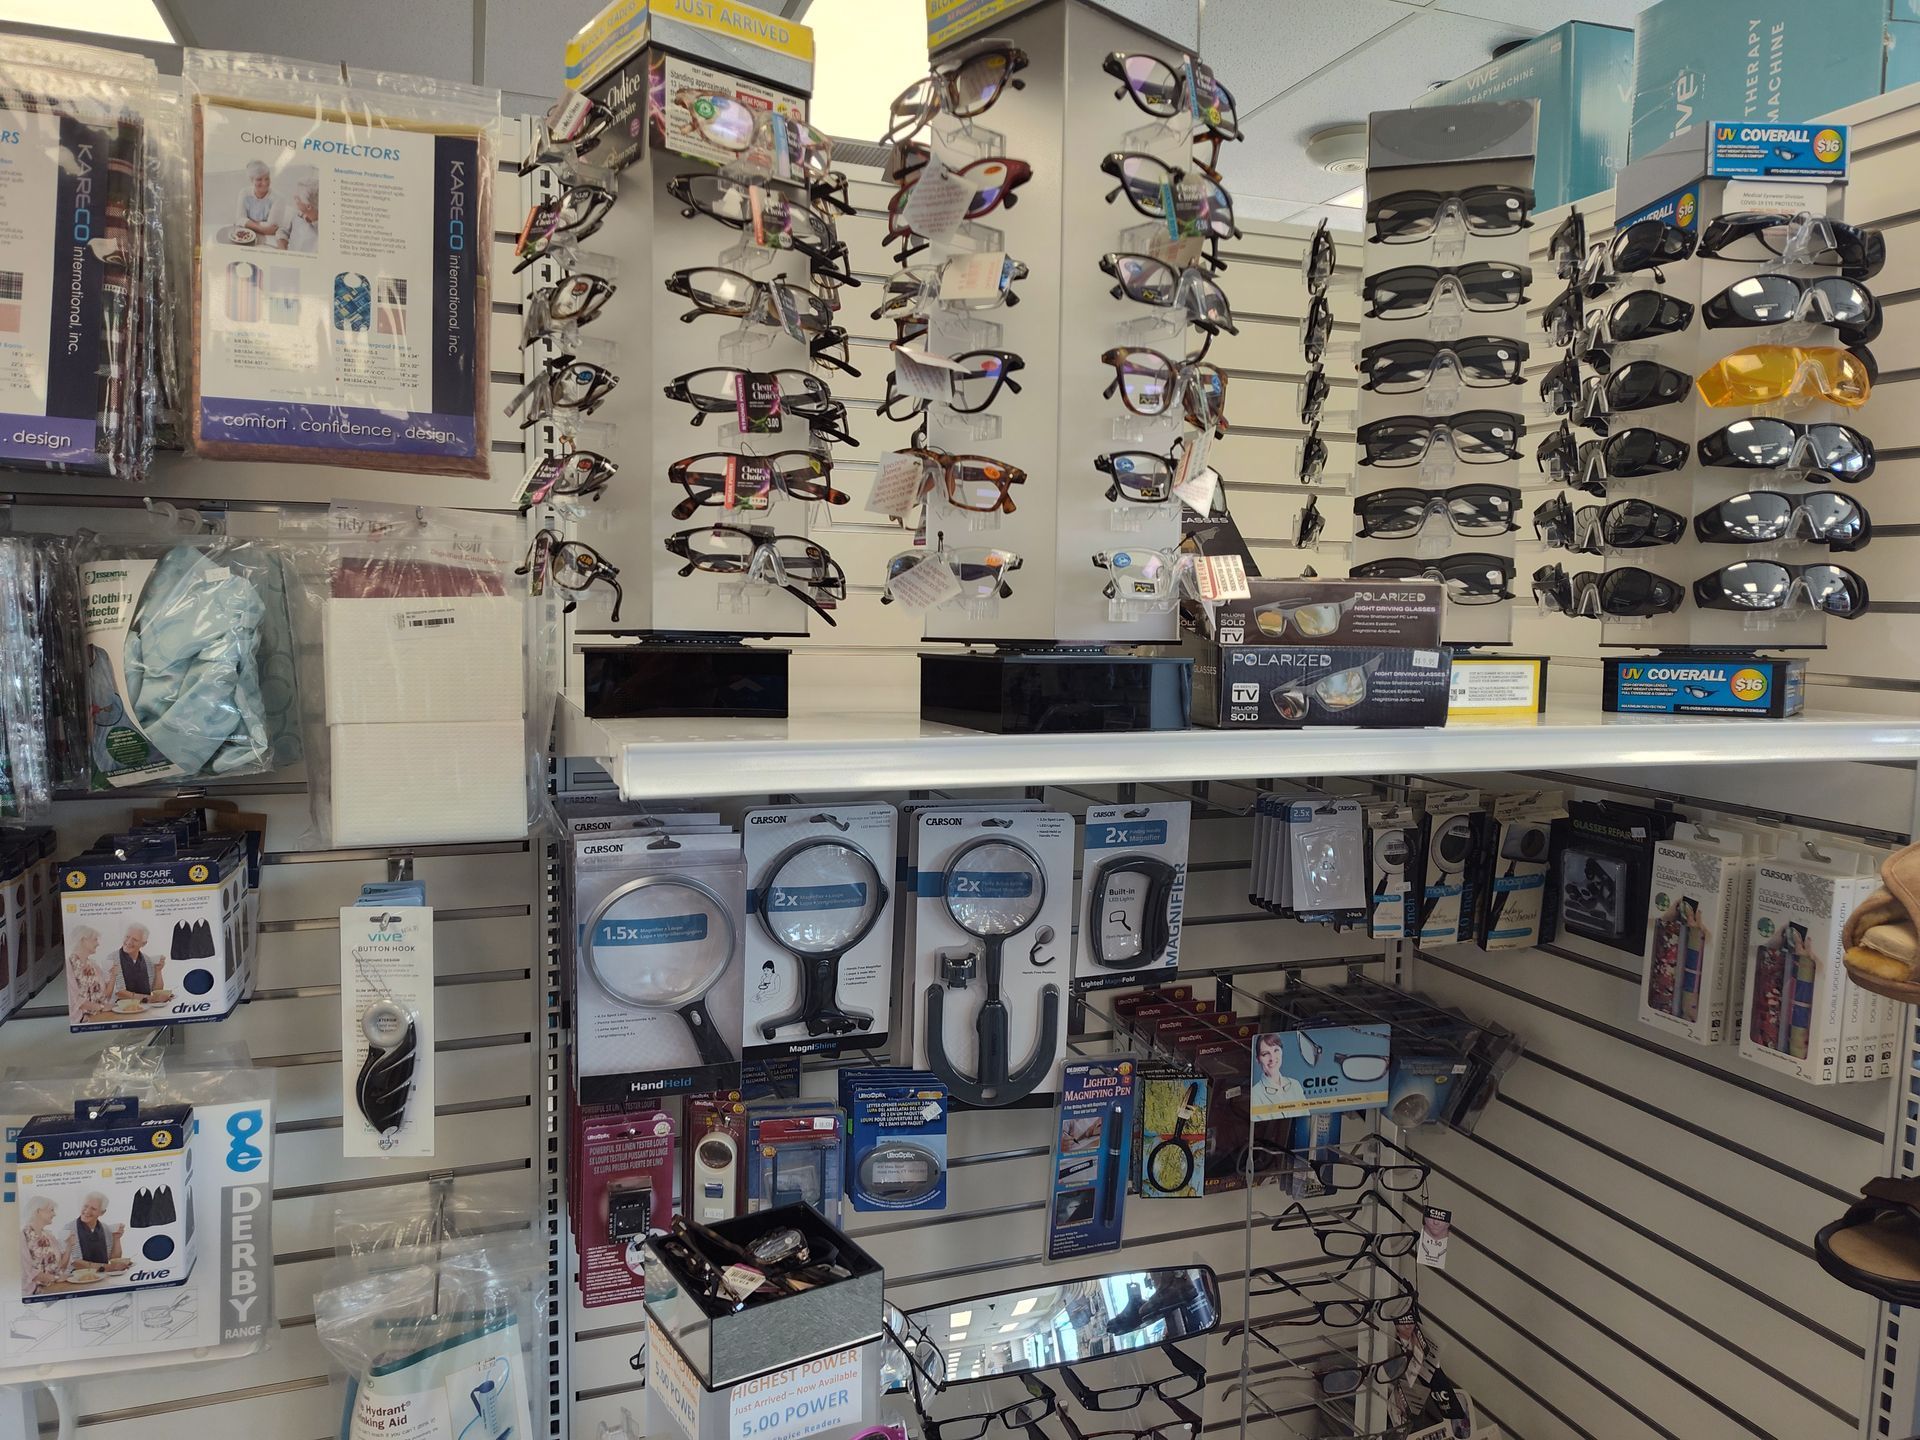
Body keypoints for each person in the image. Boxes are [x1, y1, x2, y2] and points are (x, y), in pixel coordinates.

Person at [19, 1197, 69, 1295]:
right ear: (38, 1211)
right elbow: (27, 1271)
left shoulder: (49, 1236)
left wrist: (69, 1245)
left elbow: (59, 1266)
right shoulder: (22, 1236)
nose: (54, 1214)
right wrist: (55, 1278)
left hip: (52, 1289)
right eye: (51, 1210)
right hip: (32, 1294)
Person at [65, 924, 114, 1021]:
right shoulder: (69, 965)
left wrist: (113, 975)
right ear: (83, 940)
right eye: (95, 939)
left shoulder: (94, 966)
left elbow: (104, 996)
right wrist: (101, 1007)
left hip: (98, 1016)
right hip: (80, 1020)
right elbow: (75, 999)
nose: (98, 944)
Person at [1250, 1031, 1305, 1115]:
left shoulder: (1295, 1085)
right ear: (1257, 1059)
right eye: (1265, 1054)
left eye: (1276, 1050)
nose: (1272, 1058)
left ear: (1281, 1052)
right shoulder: (1255, 1094)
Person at [70, 1192, 124, 1270]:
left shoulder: (105, 1228)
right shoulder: (70, 1228)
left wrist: (116, 1239)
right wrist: (108, 1267)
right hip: (77, 1277)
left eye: (93, 1209)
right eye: (85, 1206)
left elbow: (114, 1260)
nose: (87, 1211)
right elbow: (76, 1262)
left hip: (102, 1277)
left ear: (102, 1212)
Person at [112, 923, 164, 1000]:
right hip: (120, 1008)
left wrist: (158, 971)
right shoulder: (113, 959)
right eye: (127, 937)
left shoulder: (147, 960)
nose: (129, 942)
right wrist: (149, 998)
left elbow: (157, 991)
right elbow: (120, 992)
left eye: (135, 940)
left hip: (145, 1008)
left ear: (143, 944)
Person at [233, 159, 279, 240]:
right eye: (259, 179)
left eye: (267, 178)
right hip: (246, 235)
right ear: (251, 180)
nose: (264, 183)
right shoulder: (244, 193)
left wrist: (248, 222)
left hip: (267, 238)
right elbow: (239, 219)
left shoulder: (275, 198)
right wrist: (262, 228)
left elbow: (272, 228)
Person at [279, 176, 319, 253]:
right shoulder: (297, 214)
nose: (294, 197)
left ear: (308, 206)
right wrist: (283, 252)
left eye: (297, 198)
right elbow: (282, 231)